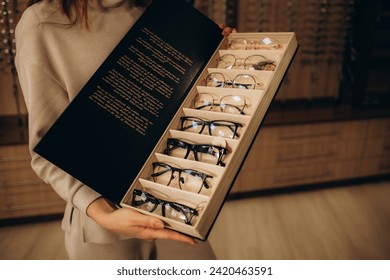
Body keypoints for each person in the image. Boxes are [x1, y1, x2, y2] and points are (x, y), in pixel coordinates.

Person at [15, 0, 235, 259]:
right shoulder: (44, 22)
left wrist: (218, 58)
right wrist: (103, 214)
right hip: (103, 225)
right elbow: (46, 146)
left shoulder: (163, 11)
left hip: (177, 204)